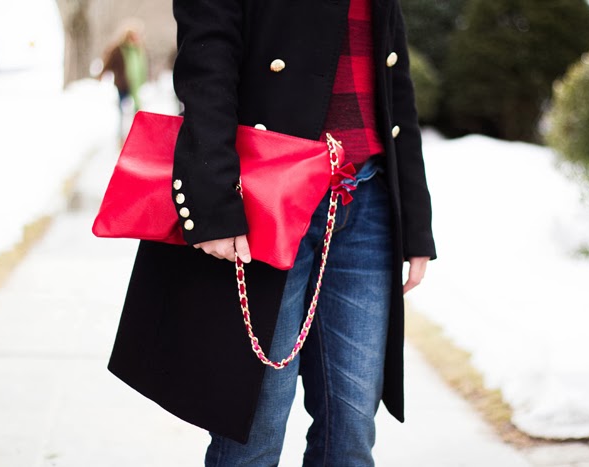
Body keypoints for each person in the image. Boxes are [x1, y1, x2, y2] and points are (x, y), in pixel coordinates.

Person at [107, 0, 437, 465]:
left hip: (367, 197)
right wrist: (214, 198)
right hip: (266, 199)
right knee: (253, 431)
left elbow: (393, 75)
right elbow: (208, 58)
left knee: (352, 431)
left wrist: (415, 220)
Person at [100, 20, 148, 138]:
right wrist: (101, 75)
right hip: (123, 85)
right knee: (122, 112)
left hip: (136, 86)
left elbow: (142, 67)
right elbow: (108, 63)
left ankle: (137, 135)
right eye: (133, 36)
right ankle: (121, 136)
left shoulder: (139, 49)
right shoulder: (118, 49)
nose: (136, 38)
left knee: (137, 111)